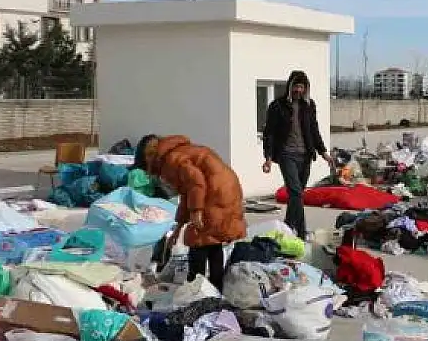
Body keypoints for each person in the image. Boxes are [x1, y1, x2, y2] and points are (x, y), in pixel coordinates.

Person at [136, 134, 246, 290]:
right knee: (212, 240)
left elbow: (196, 182)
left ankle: (196, 285)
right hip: (225, 187)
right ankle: (215, 287)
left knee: (197, 239)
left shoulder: (171, 159)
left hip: (214, 191)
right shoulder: (177, 152)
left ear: (149, 156)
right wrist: (179, 227)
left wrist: (196, 211)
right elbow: (187, 193)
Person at [261, 71, 336, 237]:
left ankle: (287, 227)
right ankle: (301, 233)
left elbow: (314, 130)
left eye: (301, 86)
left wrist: (324, 152)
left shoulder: (309, 106)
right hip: (286, 155)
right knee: (295, 192)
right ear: (290, 86)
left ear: (306, 88)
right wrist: (268, 157)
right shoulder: (277, 106)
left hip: (305, 156)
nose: (298, 90)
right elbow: (269, 133)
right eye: (295, 86)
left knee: (297, 197)